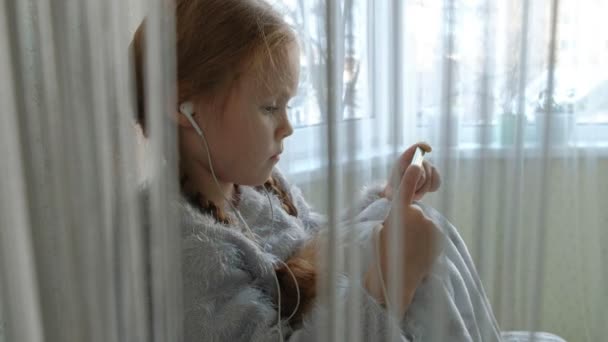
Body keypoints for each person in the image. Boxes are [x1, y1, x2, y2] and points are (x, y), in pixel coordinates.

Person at [131, 0, 507, 340]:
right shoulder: (187, 252)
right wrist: (390, 286)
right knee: (417, 265)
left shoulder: (257, 187)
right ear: (184, 108)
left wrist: (389, 199)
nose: (287, 127)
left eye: (287, 106)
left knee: (411, 222)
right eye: (268, 108)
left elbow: (321, 241)